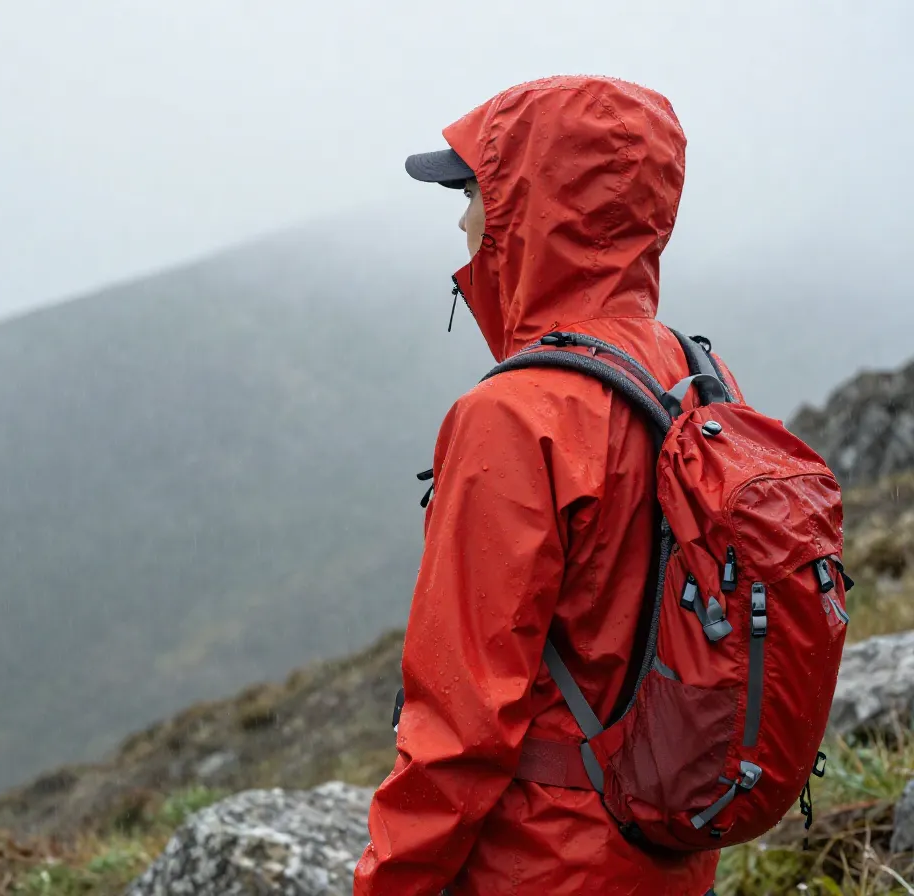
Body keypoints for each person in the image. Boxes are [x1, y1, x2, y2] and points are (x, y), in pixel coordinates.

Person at [353, 75, 736, 896]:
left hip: (539, 865)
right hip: (666, 854)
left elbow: (459, 728)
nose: (463, 221)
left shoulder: (514, 416)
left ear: (528, 206)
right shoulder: (697, 377)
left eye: (473, 193)